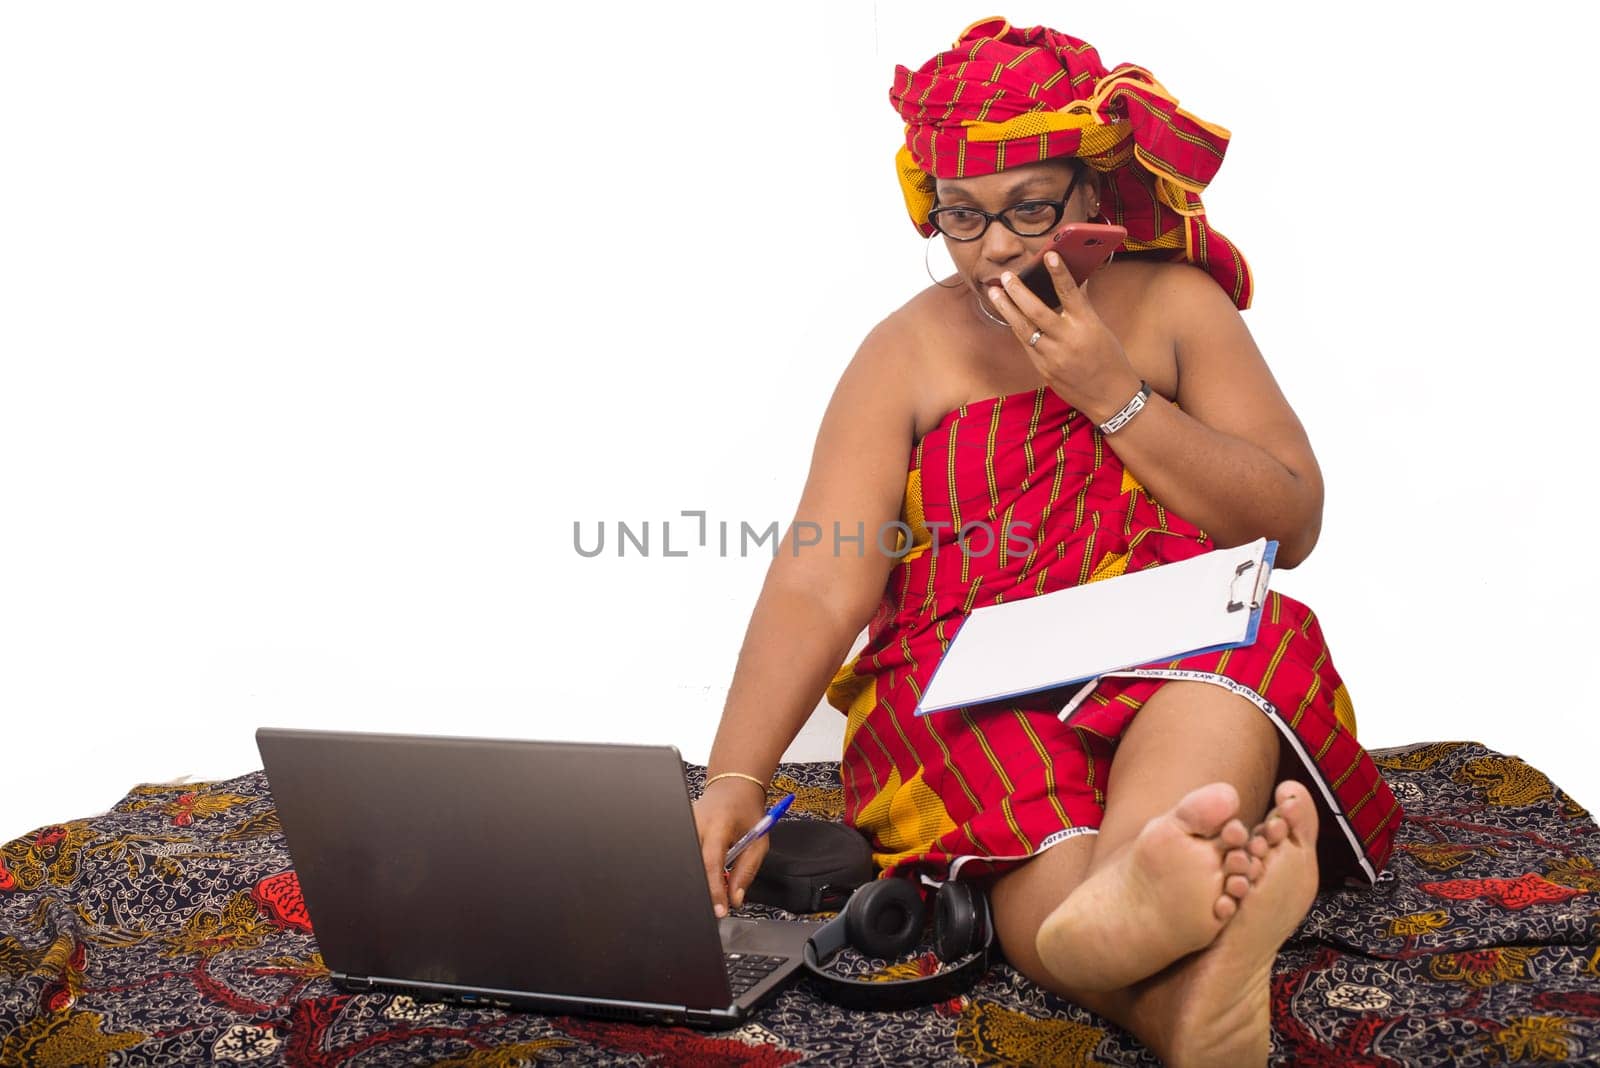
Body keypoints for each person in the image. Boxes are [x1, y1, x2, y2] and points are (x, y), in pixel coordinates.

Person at [692, 17, 1401, 1067]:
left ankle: (1141, 876)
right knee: (1008, 789)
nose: (997, 248)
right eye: (962, 218)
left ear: (1094, 193)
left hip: (1169, 641)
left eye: (1030, 207)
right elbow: (817, 581)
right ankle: (1150, 959)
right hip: (969, 674)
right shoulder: (905, 351)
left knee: (1240, 656)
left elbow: (1289, 522)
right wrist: (734, 780)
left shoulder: (1174, 306)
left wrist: (1116, 397)